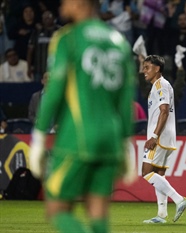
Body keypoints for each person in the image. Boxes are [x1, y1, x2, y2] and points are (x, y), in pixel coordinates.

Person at [28, 1, 136, 233]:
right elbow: (126, 99)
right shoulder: (118, 42)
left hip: (79, 135)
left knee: (56, 209)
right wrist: (127, 144)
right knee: (98, 212)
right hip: (111, 139)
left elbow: (54, 91)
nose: (61, 5)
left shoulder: (68, 38)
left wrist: (38, 136)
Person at [141, 55, 186, 224]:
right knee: (159, 174)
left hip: (160, 136)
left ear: (157, 68)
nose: (144, 71)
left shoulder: (160, 84)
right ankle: (161, 215)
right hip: (167, 135)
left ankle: (179, 200)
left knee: (146, 172)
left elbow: (164, 110)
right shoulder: (161, 85)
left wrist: (154, 136)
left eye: (147, 67)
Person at [27, 10, 60, 81]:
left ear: (54, 18)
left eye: (49, 17)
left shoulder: (60, 31)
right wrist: (29, 67)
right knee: (38, 89)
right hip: (39, 69)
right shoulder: (36, 32)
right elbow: (30, 50)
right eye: (45, 18)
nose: (47, 20)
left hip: (56, 69)